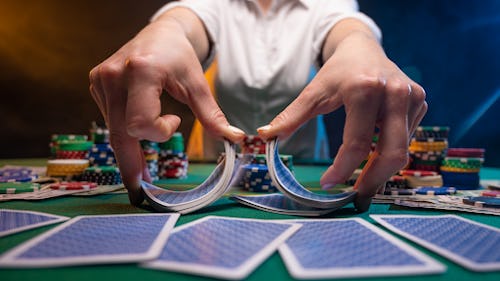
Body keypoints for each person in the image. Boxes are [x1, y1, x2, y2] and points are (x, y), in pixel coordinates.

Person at [89, 0, 427, 212]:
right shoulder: (213, 4)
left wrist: (361, 43)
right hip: (212, 166)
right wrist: (164, 28)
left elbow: (346, 25)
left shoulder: (327, 4)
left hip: (307, 166)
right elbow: (187, 17)